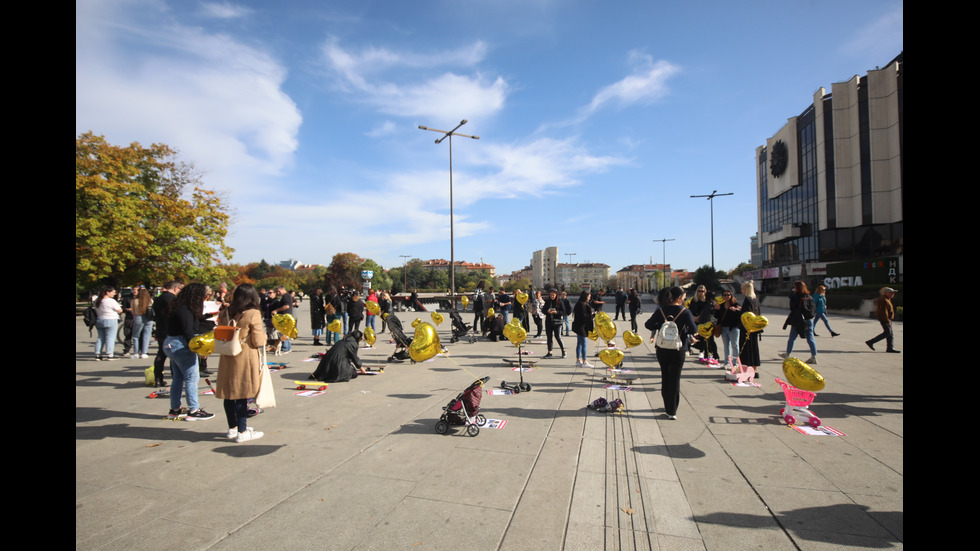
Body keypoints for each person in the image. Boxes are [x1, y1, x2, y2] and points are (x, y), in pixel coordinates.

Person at [215, 284, 267, 442]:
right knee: (242, 393)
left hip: (227, 354)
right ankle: (243, 431)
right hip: (245, 355)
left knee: (229, 393)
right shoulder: (253, 313)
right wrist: (265, 338)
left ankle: (233, 427)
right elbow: (258, 340)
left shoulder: (225, 312)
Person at [163, 282, 215, 420]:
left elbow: (190, 322)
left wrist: (207, 316)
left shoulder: (177, 306)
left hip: (171, 343)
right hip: (181, 344)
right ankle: (194, 410)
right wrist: (198, 349)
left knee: (178, 378)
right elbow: (188, 330)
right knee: (191, 379)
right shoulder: (185, 309)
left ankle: (175, 409)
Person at [647, 286, 698, 420]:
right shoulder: (685, 311)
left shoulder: (661, 310)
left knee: (665, 376)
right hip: (678, 349)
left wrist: (660, 325)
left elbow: (648, 325)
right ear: (679, 298)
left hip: (662, 348)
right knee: (675, 378)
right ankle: (672, 410)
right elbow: (694, 329)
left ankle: (667, 405)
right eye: (684, 297)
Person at [151, 281, 182, 387]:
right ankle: (175, 378)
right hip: (169, 328)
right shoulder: (172, 298)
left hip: (160, 327)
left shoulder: (158, 298)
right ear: (175, 288)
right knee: (173, 354)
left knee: (161, 354)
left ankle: (158, 378)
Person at [780, 280, 818, 364]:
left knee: (792, 338)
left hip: (798, 320)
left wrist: (792, 292)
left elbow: (792, 308)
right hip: (809, 319)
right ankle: (814, 356)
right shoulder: (809, 297)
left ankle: (787, 354)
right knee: (811, 338)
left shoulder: (796, 296)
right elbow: (813, 308)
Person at [737, 281, 761, 382]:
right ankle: (755, 369)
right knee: (754, 348)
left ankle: (748, 369)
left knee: (746, 349)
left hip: (747, 329)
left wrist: (739, 311)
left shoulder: (747, 299)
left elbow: (747, 315)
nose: (741, 290)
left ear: (746, 289)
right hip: (754, 329)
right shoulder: (755, 299)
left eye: (742, 288)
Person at [688, 286, 719, 362]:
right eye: (699, 291)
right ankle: (705, 352)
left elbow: (709, 312)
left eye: (702, 291)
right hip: (696, 321)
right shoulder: (694, 300)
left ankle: (708, 353)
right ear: (696, 291)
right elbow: (690, 309)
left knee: (708, 339)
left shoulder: (708, 301)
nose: (701, 293)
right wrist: (693, 317)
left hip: (706, 322)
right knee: (695, 338)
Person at [866, 287, 900, 353]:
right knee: (887, 333)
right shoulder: (883, 300)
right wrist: (887, 321)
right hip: (884, 318)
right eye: (891, 293)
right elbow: (883, 312)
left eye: (893, 293)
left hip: (887, 318)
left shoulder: (887, 299)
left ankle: (890, 348)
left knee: (890, 334)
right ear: (886, 293)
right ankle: (871, 342)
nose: (892, 294)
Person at [94, 286, 123, 361]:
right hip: (111, 320)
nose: (114, 294)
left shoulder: (98, 300)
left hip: (100, 320)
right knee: (110, 338)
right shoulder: (111, 301)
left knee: (100, 338)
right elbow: (119, 310)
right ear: (107, 292)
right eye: (113, 292)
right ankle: (110, 354)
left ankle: (98, 354)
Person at [714, 289, 742, 367]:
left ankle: (735, 363)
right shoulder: (722, 305)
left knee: (735, 345)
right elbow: (717, 316)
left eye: (728, 295)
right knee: (726, 346)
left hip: (733, 328)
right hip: (724, 328)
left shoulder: (736, 304)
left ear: (731, 295)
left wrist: (736, 310)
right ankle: (727, 362)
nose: (726, 296)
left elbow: (740, 315)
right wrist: (717, 309)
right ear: (722, 296)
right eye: (725, 295)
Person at [572, 290, 595, 368]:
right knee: (584, 343)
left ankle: (578, 360)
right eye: (588, 297)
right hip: (581, 327)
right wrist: (592, 315)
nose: (589, 298)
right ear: (585, 297)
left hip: (579, 326)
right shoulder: (582, 305)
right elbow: (584, 317)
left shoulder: (579, 304)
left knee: (579, 344)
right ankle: (584, 361)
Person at [131, 287, 155, 359]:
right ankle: (144, 352)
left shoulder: (134, 301)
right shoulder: (150, 300)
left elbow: (133, 311)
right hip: (149, 318)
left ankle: (136, 352)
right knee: (146, 335)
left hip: (138, 317)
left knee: (136, 336)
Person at [542, 288, 566, 358]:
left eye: (553, 294)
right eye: (551, 294)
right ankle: (550, 352)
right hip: (549, 321)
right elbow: (543, 310)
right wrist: (547, 311)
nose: (552, 296)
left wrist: (556, 312)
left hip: (557, 322)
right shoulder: (547, 302)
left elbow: (564, 312)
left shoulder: (559, 302)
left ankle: (563, 351)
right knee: (549, 337)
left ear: (556, 295)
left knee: (557, 336)